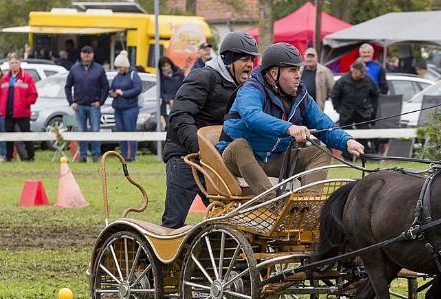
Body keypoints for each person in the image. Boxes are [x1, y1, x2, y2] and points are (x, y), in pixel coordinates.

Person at [218, 43, 365, 195]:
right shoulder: (251, 89)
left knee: (320, 152)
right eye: (292, 70)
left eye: (298, 70)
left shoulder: (301, 96)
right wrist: (289, 128)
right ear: (274, 74)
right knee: (239, 145)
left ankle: (307, 207)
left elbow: (322, 122)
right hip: (239, 158)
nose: (298, 75)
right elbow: (252, 116)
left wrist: (347, 141)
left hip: (274, 160)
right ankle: (271, 202)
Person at [161, 32, 258, 228]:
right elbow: (180, 115)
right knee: (174, 220)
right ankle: (158, 258)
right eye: (244, 59)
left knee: (227, 215)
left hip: (214, 159)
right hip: (184, 156)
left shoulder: (244, 87)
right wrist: (201, 148)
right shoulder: (203, 77)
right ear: (229, 60)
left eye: (252, 59)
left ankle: (228, 255)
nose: (249, 64)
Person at [64, 45, 109, 162]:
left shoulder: (99, 69)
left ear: (92, 54)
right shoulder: (74, 69)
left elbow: (105, 87)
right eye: (84, 53)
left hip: (94, 106)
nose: (86, 55)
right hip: (79, 106)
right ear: (81, 54)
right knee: (81, 131)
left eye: (89, 53)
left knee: (95, 130)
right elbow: (68, 86)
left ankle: (96, 155)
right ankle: (83, 156)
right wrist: (71, 102)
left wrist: (101, 101)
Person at [0, 54, 38, 161]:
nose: (14, 65)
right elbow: (0, 95)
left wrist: (25, 103)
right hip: (8, 112)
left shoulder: (27, 77)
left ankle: (30, 156)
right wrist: (1, 106)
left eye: (16, 62)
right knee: (8, 136)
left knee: (26, 135)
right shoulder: (5, 78)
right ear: (9, 64)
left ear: (20, 63)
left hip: (22, 112)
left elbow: (33, 95)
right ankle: (9, 157)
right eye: (11, 63)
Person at [109, 50, 142, 161]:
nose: (119, 69)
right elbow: (112, 87)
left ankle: (131, 156)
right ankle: (122, 155)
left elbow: (138, 89)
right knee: (121, 133)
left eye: (121, 67)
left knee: (130, 131)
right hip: (118, 108)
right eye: (117, 67)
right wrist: (112, 93)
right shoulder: (117, 76)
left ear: (126, 66)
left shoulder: (133, 75)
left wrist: (123, 93)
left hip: (130, 109)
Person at [330, 61, 379, 129]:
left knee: (364, 137)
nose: (363, 73)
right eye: (361, 72)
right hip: (346, 114)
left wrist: (370, 109)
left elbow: (375, 95)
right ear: (354, 70)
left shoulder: (368, 80)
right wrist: (339, 109)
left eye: (364, 71)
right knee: (345, 136)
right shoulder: (342, 81)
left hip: (363, 114)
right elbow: (334, 96)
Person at [158, 56, 183, 128]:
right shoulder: (160, 78)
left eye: (167, 65)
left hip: (180, 104)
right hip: (167, 106)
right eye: (163, 66)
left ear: (170, 65)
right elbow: (160, 92)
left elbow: (184, 88)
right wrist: (168, 100)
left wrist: (177, 100)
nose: (166, 68)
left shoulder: (179, 74)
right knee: (169, 126)